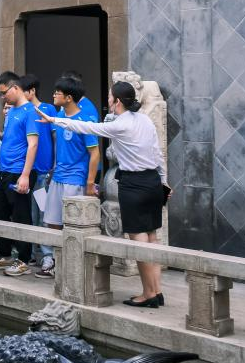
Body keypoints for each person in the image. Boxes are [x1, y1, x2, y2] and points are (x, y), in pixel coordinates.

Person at [37, 81, 168, 306]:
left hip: (133, 184)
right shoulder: (144, 120)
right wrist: (164, 182)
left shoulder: (120, 124)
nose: (107, 100)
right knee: (152, 237)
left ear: (117, 101)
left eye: (109, 97)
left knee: (140, 241)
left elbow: (87, 127)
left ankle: (148, 294)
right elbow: (157, 154)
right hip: (153, 181)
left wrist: (54, 120)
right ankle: (157, 291)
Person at [33, 75, 101, 279]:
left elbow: (95, 153)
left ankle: (73, 266)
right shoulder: (59, 117)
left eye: (58, 92)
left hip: (75, 179)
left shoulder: (84, 121)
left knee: (73, 226)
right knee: (52, 222)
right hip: (58, 177)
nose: (54, 95)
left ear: (69, 97)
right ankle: (55, 261)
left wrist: (90, 183)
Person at [0, 72, 39, 277]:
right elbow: (14, 139)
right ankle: (6, 254)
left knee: (21, 216)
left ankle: (24, 260)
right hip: (4, 172)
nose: (3, 97)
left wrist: (25, 175)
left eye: (4, 93)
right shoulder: (12, 112)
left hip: (19, 172)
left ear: (15, 88)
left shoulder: (30, 112)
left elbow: (33, 144)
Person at [21, 73, 58, 267]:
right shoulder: (22, 111)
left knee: (44, 214)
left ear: (32, 91)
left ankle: (48, 255)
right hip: (27, 173)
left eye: (23, 90)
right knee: (30, 215)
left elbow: (55, 138)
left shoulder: (48, 109)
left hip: (43, 172)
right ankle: (35, 253)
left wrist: (55, 165)